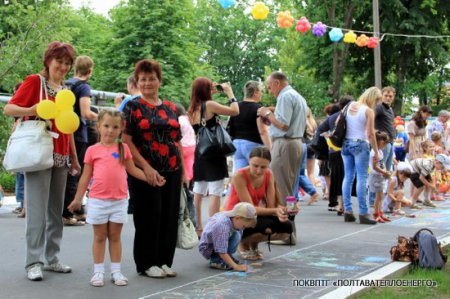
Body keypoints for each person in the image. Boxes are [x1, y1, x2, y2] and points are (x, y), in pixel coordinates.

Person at [4, 41, 80, 281]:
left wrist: (75, 160)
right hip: (38, 152)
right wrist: (34, 107)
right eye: (59, 61)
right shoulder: (35, 82)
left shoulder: (65, 88)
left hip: (61, 155)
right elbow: (9, 109)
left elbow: (68, 128)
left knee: (55, 211)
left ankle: (52, 258)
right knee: (36, 211)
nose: (63, 66)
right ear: (48, 60)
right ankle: (33, 261)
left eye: (67, 63)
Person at [68, 109, 148, 287]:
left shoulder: (123, 148)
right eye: (106, 126)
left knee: (114, 236)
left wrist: (150, 177)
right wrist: (77, 199)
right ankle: (98, 272)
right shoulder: (92, 150)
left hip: (119, 200)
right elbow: (85, 177)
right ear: (98, 126)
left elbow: (132, 170)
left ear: (121, 129)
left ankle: (116, 271)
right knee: (99, 236)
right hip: (98, 201)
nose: (110, 130)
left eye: (115, 127)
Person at [122, 59, 183, 278]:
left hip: (173, 169)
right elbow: (126, 141)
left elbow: (177, 141)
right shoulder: (132, 106)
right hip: (145, 170)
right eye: (143, 79)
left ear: (159, 80)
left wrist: (183, 172)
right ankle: (147, 263)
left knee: (168, 215)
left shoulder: (170, 107)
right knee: (150, 215)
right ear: (137, 82)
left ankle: (164, 260)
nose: (148, 83)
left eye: (152, 79)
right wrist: (146, 168)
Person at [257, 71, 308, 245]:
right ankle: (290, 231)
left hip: (285, 144)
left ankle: (288, 233)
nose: (270, 91)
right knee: (289, 190)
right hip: (295, 143)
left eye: (270, 86)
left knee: (283, 190)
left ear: (278, 83)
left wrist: (266, 113)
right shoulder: (297, 96)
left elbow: (283, 125)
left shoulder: (285, 97)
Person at [188, 77, 239, 237]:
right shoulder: (209, 105)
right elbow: (235, 110)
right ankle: (213, 228)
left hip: (200, 152)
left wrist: (215, 91)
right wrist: (229, 92)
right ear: (205, 90)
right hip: (214, 153)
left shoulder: (192, 108)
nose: (213, 89)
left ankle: (197, 227)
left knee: (198, 190)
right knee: (215, 191)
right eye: (210, 87)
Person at [225, 147, 293, 260]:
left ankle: (253, 244)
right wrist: (275, 210)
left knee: (286, 227)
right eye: (255, 166)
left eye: (263, 167)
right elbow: (249, 209)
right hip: (237, 216)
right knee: (263, 227)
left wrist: (285, 210)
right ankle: (242, 244)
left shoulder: (268, 174)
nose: (259, 171)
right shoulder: (239, 175)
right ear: (249, 160)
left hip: (255, 214)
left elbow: (272, 207)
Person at [63, 55, 98, 226]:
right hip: (78, 132)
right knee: (76, 171)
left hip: (65, 131)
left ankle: (76, 210)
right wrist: (103, 118)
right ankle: (68, 213)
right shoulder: (84, 87)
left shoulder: (67, 83)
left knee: (68, 170)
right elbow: (85, 112)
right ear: (89, 71)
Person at [341, 87, 380, 225]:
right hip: (360, 144)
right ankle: (363, 213)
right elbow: (370, 134)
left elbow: (337, 124)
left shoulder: (348, 106)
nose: (376, 104)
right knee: (362, 178)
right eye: (377, 101)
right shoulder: (368, 111)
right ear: (373, 99)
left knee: (348, 177)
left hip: (345, 144)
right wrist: (376, 151)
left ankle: (347, 211)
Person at [227, 80, 271, 173]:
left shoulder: (235, 107)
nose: (262, 94)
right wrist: (271, 148)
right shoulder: (259, 109)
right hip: (253, 145)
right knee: (258, 175)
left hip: (237, 145)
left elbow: (231, 128)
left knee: (239, 176)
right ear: (255, 92)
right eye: (261, 91)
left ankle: (232, 188)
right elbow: (263, 131)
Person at [199, 202, 257, 271]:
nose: (243, 228)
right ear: (237, 218)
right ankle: (216, 260)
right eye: (243, 226)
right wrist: (236, 267)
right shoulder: (222, 225)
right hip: (209, 247)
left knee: (237, 234)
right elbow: (222, 251)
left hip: (218, 242)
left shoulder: (233, 217)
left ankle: (226, 257)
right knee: (236, 235)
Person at [369, 86, 396, 206]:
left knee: (387, 170)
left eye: (390, 96)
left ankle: (381, 200)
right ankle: (372, 199)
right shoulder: (379, 107)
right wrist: (375, 137)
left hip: (390, 142)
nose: (388, 98)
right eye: (386, 95)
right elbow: (370, 120)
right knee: (379, 170)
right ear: (382, 96)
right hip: (382, 143)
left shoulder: (389, 109)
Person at [369, 131, 392, 223]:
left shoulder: (380, 152)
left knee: (380, 196)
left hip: (380, 175)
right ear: (381, 142)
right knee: (378, 197)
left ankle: (379, 213)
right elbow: (374, 166)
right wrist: (384, 172)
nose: (385, 145)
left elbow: (382, 163)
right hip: (375, 176)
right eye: (385, 143)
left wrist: (385, 171)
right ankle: (376, 214)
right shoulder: (375, 153)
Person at [305, 108, 319, 187]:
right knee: (311, 172)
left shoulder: (304, 122)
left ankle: (300, 193)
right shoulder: (314, 122)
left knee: (299, 172)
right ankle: (313, 191)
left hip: (304, 145)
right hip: (312, 147)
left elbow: (309, 130)